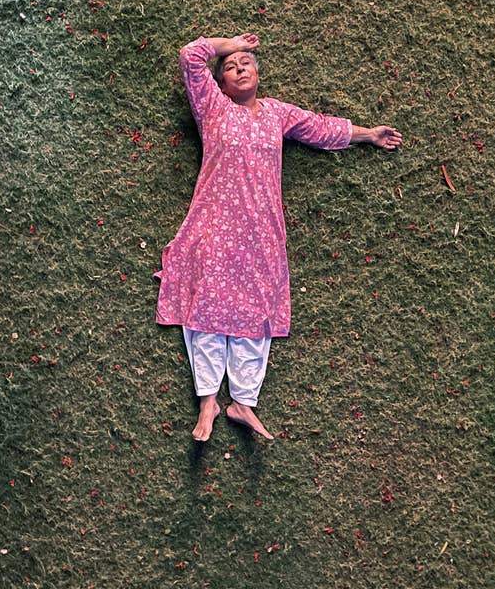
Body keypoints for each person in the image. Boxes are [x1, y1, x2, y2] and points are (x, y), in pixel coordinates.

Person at [155, 34, 403, 442]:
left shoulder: (275, 113)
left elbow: (319, 127)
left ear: (258, 74)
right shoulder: (212, 107)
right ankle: (207, 401)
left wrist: (367, 134)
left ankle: (243, 401)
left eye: (246, 62)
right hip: (215, 223)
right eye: (230, 65)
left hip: (261, 230)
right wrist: (228, 42)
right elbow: (190, 56)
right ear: (219, 82)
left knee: (257, 309)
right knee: (206, 304)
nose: (239, 67)